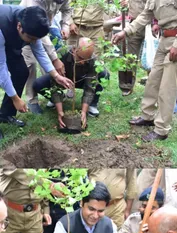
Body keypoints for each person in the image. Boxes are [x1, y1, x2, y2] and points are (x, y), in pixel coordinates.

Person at [112, 0, 177, 142]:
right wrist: (125, 32)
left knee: (167, 87)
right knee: (153, 80)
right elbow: (145, 15)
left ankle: (162, 129)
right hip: (164, 40)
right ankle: (147, 116)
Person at [0, 5, 74, 139]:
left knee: (21, 72)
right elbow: (1, 69)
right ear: (19, 27)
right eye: (31, 38)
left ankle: (5, 115)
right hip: (1, 36)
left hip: (10, 43)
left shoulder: (31, 24)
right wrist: (15, 98)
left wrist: (56, 76)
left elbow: (39, 51)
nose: (33, 41)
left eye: (36, 38)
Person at [0, 165, 64, 233]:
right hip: (9, 213)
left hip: (35, 213)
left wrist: (45, 208)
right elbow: (24, 174)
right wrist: (51, 186)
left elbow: (42, 177)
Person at [33, 37, 109, 128]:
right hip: (63, 80)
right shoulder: (62, 53)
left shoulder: (93, 60)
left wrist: (83, 112)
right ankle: (57, 100)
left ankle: (92, 104)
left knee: (104, 74)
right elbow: (55, 85)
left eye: (86, 60)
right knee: (38, 84)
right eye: (80, 58)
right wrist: (60, 112)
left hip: (82, 80)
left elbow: (90, 86)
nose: (82, 62)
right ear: (74, 49)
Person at [19, 0, 72, 114]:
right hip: (26, 31)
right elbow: (40, 34)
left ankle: (53, 96)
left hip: (45, 29)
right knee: (31, 64)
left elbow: (67, 9)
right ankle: (32, 101)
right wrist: (55, 58)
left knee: (49, 67)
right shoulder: (35, 1)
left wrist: (65, 25)